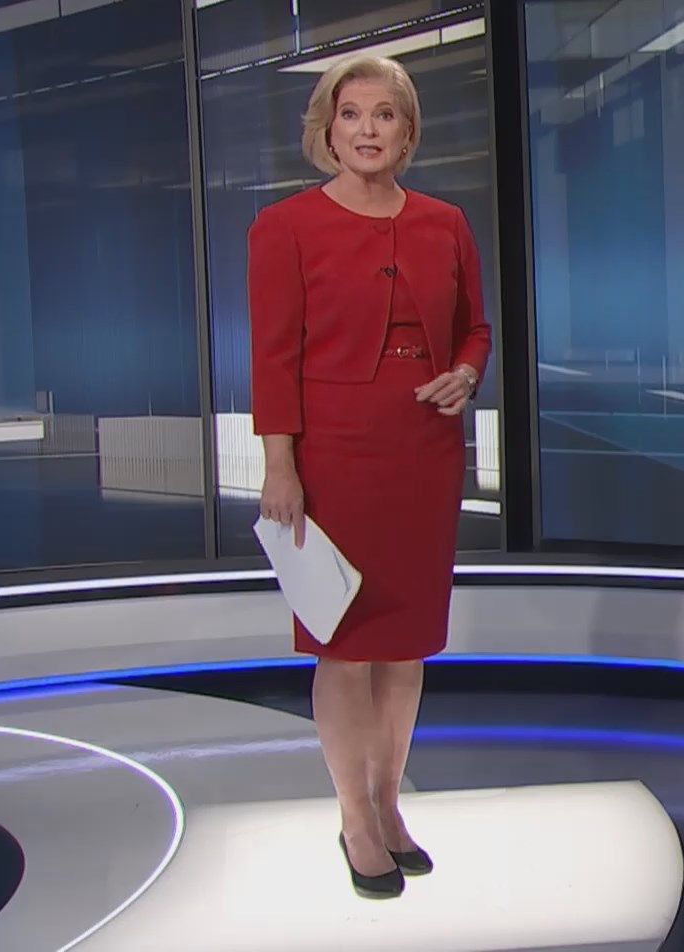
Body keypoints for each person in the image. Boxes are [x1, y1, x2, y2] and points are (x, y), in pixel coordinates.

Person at [250, 54, 491, 898]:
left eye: (384, 114)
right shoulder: (284, 227)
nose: (367, 130)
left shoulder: (445, 223)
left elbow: (474, 328)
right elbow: (273, 359)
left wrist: (466, 372)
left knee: (405, 645)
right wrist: (279, 465)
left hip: (423, 454)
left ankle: (390, 807)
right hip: (334, 459)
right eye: (350, 114)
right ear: (327, 130)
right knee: (346, 646)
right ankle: (354, 817)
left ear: (408, 131)